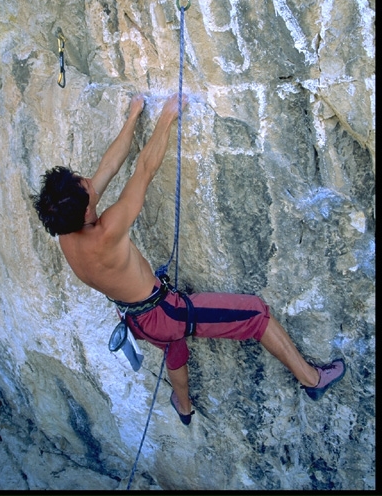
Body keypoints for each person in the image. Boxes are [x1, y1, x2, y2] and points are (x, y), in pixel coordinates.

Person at [30, 93, 346, 425]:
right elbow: (145, 170)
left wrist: (134, 115)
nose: (88, 180)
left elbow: (108, 168)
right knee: (255, 313)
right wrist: (167, 116)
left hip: (134, 318)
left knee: (173, 346)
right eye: (84, 184)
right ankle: (312, 380)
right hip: (164, 313)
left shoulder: (65, 229)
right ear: (88, 210)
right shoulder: (106, 232)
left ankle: (183, 405)